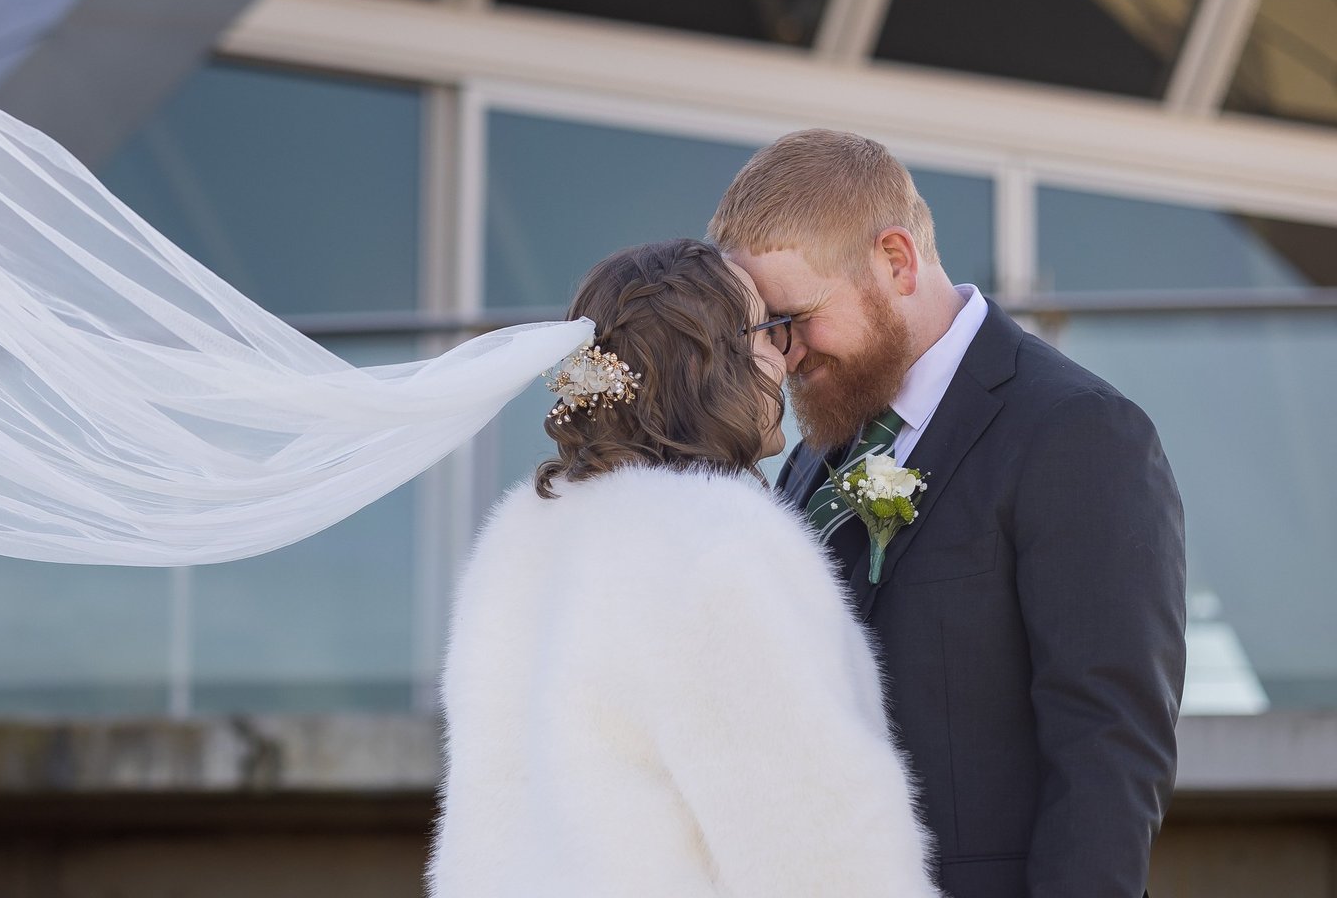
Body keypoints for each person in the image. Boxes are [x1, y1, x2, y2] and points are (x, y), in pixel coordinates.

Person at [711, 129, 1186, 898]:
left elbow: (1110, 747)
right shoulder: (812, 451)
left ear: (895, 261)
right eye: (768, 330)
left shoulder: (1076, 431)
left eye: (794, 317)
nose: (786, 354)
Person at [429, 239, 942, 898]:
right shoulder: (712, 543)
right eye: (766, 332)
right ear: (712, 366)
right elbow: (817, 846)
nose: (786, 356)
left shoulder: (521, 544)